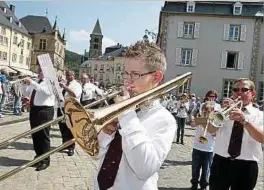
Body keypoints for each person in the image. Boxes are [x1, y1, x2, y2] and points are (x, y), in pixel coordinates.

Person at [94, 41, 176, 190]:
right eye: (126, 73)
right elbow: (97, 155)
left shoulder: (165, 120)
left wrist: (127, 115)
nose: (127, 80)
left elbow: (145, 169)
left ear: (156, 77)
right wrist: (106, 133)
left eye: (135, 74)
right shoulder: (119, 110)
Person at [209, 78, 264, 190]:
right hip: (221, 162)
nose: (239, 92)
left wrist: (245, 121)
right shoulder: (223, 110)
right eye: (235, 89)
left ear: (252, 93)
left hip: (247, 165)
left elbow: (262, 138)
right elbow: (211, 130)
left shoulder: (259, 115)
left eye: (244, 89)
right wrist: (220, 113)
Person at [23, 66, 55, 171]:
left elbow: (47, 92)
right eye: (39, 70)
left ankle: (45, 160)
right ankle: (38, 157)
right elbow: (27, 92)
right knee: (35, 134)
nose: (39, 72)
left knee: (43, 136)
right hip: (35, 110)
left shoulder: (50, 81)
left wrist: (32, 82)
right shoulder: (37, 81)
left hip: (45, 110)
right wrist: (25, 84)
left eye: (41, 70)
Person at [190, 90, 221, 190]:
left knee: (206, 169)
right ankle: (194, 184)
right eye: (206, 110)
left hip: (209, 147)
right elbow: (192, 123)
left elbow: (217, 132)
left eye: (214, 97)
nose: (212, 98)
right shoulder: (201, 111)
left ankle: (204, 186)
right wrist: (199, 121)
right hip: (197, 145)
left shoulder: (218, 108)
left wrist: (211, 127)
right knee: (195, 167)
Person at [58, 70, 82, 156]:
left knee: (70, 128)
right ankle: (65, 143)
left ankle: (71, 147)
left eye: (69, 75)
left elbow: (75, 94)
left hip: (71, 108)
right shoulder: (64, 83)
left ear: (73, 75)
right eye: (67, 75)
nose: (67, 77)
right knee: (62, 127)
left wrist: (65, 87)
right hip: (61, 107)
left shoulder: (77, 85)